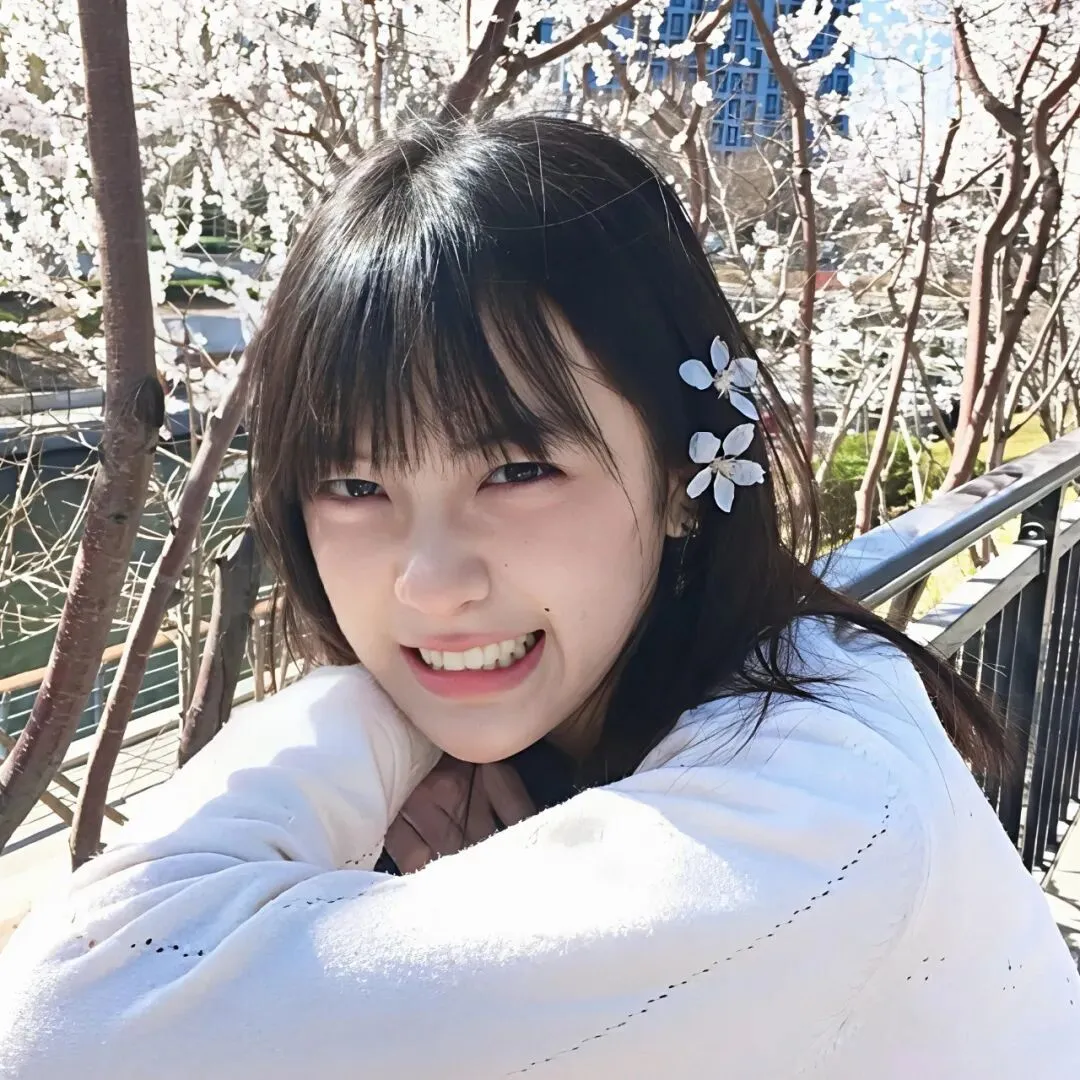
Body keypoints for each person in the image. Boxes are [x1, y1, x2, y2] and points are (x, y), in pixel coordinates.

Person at [1, 116, 1077, 1079]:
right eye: (355, 486)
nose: (430, 582)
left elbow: (66, 1018)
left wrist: (359, 715)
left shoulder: (808, 814)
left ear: (682, 476)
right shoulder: (745, 695)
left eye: (518, 471)